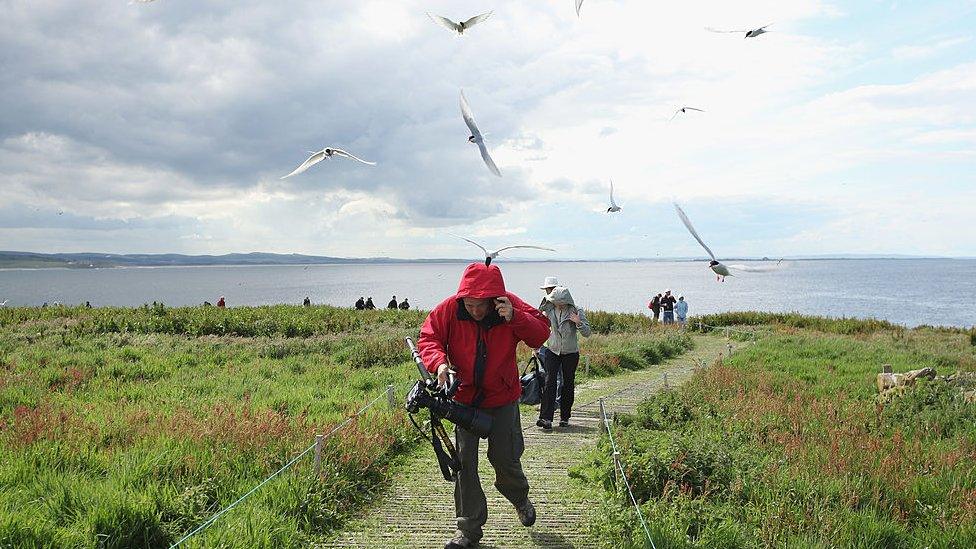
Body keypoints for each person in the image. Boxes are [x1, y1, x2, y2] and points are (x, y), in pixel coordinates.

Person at [417, 263, 550, 549]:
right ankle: (468, 531)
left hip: (502, 399)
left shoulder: (509, 305)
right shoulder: (449, 309)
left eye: (481, 305)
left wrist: (514, 317)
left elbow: (540, 334)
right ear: (462, 297)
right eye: (470, 304)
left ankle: (519, 498)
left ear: (494, 299)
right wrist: (439, 363)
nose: (475, 310)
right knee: (465, 464)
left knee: (505, 459)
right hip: (463, 399)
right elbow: (429, 337)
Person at [536, 286, 591, 430]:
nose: (558, 304)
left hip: (570, 352)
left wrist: (578, 322)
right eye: (555, 301)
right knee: (549, 382)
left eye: (560, 301)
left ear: (566, 300)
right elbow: (537, 317)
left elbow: (587, 332)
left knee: (567, 384)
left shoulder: (576, 310)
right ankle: (546, 418)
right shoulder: (549, 309)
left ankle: (565, 417)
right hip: (552, 350)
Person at [536, 276, 562, 407]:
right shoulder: (546, 304)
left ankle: (555, 401)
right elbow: (539, 322)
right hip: (546, 345)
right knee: (546, 375)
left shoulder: (561, 305)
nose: (549, 291)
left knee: (555, 376)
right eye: (548, 289)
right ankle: (550, 401)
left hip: (556, 346)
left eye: (550, 289)